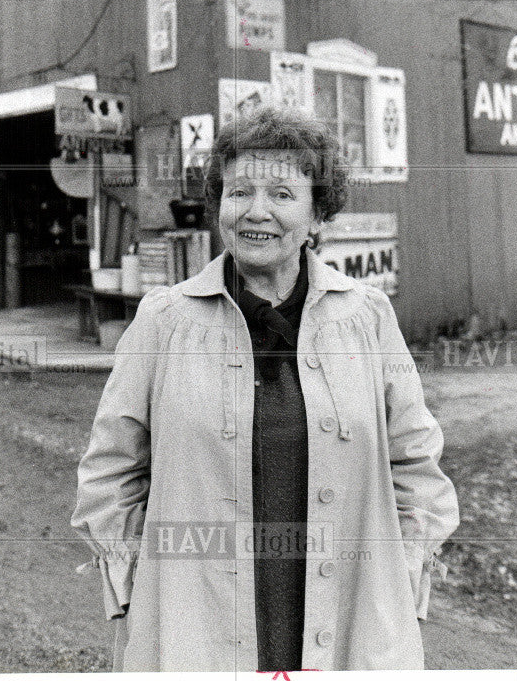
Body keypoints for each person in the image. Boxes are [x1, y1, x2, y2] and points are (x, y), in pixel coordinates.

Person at [71, 106, 459, 671]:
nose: (256, 211)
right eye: (238, 192)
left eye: (281, 193)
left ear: (317, 215)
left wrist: (399, 579)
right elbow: (109, 474)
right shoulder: (163, 321)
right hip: (193, 625)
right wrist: (140, 593)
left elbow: (416, 467)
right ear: (218, 205)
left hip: (351, 620)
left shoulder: (368, 318)